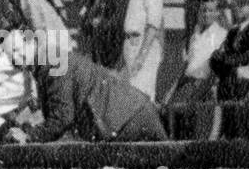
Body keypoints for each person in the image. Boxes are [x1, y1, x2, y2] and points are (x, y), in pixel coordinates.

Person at [10, 37, 168, 143]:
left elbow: (62, 118)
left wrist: (29, 137)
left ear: (31, 42)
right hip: (131, 114)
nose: (15, 58)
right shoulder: (46, 62)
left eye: (17, 49)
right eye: (10, 55)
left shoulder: (53, 63)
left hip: (127, 120)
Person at [163, 0, 228, 139]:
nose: (206, 14)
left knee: (202, 131)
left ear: (217, 13)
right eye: (203, 10)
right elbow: (187, 66)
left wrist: (200, 91)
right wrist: (172, 89)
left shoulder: (222, 35)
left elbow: (216, 68)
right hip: (188, 85)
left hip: (206, 87)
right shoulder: (196, 35)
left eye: (210, 10)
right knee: (175, 120)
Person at [210, 0, 249, 139]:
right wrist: (225, 61)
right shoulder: (233, 31)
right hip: (228, 87)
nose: (237, 7)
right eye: (237, 4)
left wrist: (228, 61)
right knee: (230, 129)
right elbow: (217, 58)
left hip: (243, 86)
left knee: (244, 129)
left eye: (242, 4)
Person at [123, 0, 165, 100]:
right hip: (131, 46)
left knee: (141, 95)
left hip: (144, 48)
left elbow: (153, 27)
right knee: (131, 95)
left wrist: (141, 56)